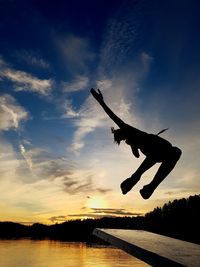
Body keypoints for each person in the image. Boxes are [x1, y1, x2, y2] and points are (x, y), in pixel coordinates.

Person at [90, 88, 182, 199]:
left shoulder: (128, 134)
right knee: (175, 152)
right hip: (156, 150)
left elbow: (113, 116)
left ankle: (140, 181)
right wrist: (101, 102)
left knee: (169, 153)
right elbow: (137, 155)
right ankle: (144, 183)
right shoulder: (129, 137)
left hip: (156, 151)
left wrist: (101, 102)